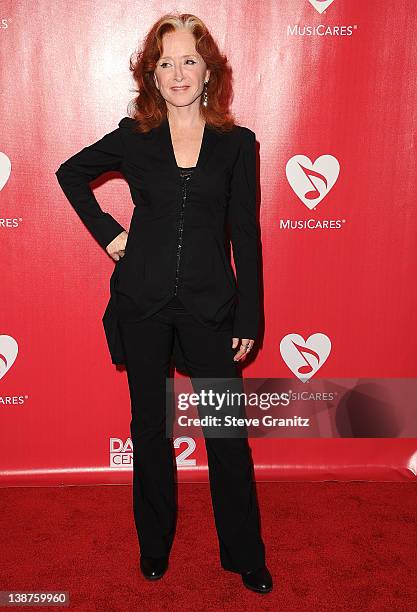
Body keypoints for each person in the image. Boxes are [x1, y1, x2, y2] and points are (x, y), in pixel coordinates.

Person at [55, 12, 272, 594]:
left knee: (226, 433)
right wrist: (110, 234)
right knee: (148, 429)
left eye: (189, 61)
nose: (178, 73)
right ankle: (154, 547)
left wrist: (249, 314)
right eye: (166, 62)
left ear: (209, 72)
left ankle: (245, 554)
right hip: (143, 304)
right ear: (152, 75)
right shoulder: (135, 136)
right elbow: (70, 172)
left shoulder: (237, 144)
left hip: (211, 307)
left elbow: (245, 233)